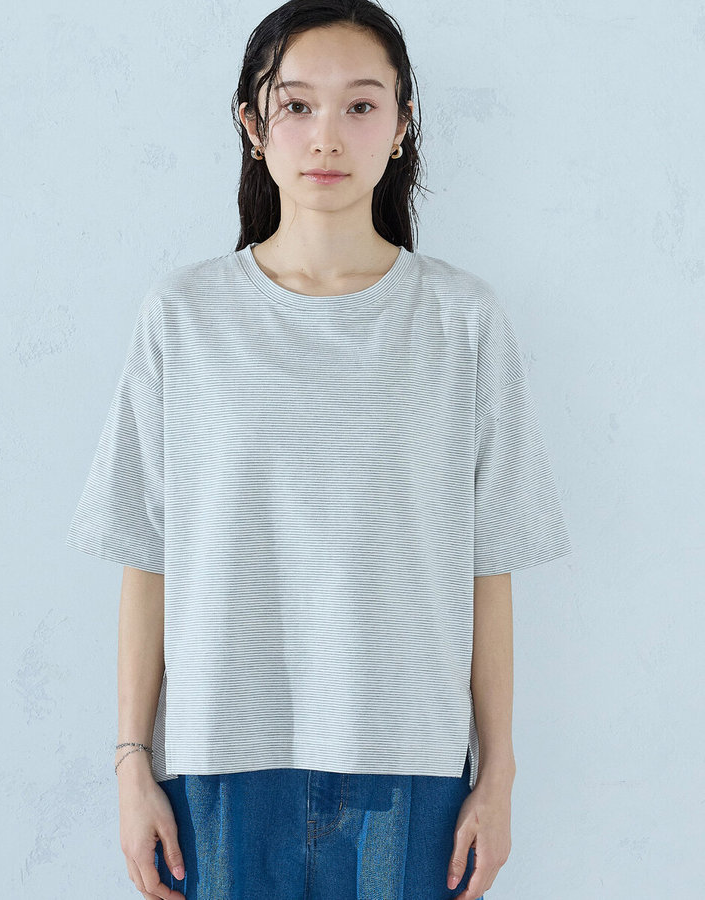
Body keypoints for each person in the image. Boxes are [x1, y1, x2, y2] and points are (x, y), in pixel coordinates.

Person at [65, 1, 572, 898]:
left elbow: (487, 566)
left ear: (402, 124)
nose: (327, 136)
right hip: (219, 768)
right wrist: (130, 762)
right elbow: (150, 557)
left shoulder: (462, 320)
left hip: (410, 767)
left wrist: (498, 774)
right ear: (252, 124)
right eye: (296, 105)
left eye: (361, 105)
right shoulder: (184, 316)